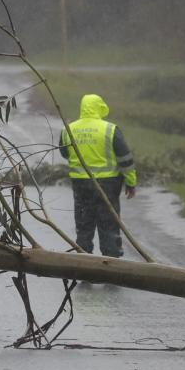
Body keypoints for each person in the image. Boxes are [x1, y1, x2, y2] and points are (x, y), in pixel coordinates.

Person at [59, 94, 137, 257]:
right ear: (100, 108)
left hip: (81, 185)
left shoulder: (69, 129)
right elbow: (125, 160)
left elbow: (65, 153)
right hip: (108, 185)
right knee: (108, 224)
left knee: (84, 225)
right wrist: (131, 183)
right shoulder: (110, 129)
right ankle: (110, 265)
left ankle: (84, 262)